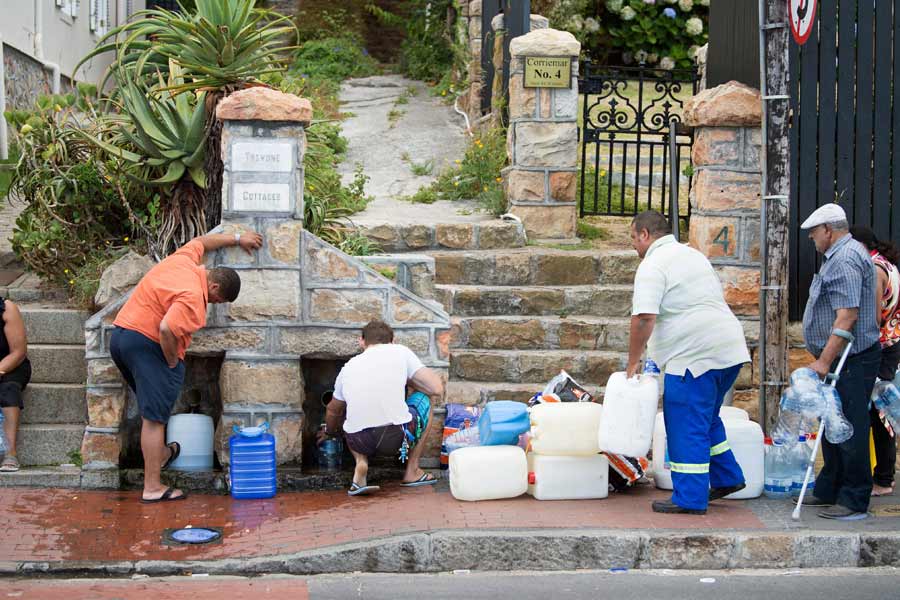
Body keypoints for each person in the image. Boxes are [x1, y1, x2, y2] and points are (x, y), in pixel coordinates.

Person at [111, 231, 262, 503]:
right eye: (218, 300)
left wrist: (238, 238)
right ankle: (152, 488)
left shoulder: (184, 261)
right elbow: (166, 328)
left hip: (121, 337)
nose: (215, 304)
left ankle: (163, 454)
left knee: (152, 408)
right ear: (214, 287)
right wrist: (171, 360)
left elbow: (201, 242)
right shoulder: (194, 297)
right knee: (154, 418)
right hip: (148, 345)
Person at [625, 210, 750, 515]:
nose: (633, 245)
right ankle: (728, 477)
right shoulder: (693, 255)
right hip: (729, 350)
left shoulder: (652, 264)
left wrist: (632, 362)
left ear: (645, 234)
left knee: (685, 424)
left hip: (694, 357)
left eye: (633, 238)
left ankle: (690, 498)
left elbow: (644, 318)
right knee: (706, 419)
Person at [800, 204, 881, 520]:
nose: (811, 238)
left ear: (828, 230)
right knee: (832, 425)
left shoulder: (845, 259)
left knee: (848, 427)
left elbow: (847, 316)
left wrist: (824, 361)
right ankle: (829, 489)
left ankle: (853, 498)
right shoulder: (840, 255)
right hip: (844, 358)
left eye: (813, 233)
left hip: (851, 358)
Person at [319, 319, 444, 496]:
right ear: (393, 341)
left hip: (359, 442)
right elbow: (436, 388)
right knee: (426, 399)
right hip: (397, 438)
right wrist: (407, 379)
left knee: (348, 410)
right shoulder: (400, 352)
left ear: (361, 341)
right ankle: (412, 471)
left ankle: (361, 462)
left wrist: (329, 432)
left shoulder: (348, 367)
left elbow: (333, 410)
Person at [849, 224, 898, 497]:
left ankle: (884, 478)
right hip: (890, 343)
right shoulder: (886, 264)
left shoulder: (876, 270)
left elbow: (873, 315)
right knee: (880, 410)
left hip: (881, 347)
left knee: (879, 413)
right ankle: (883, 475)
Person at [0, 299, 31, 473]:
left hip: (11, 364)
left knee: (8, 389)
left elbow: (18, 352)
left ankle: (10, 453)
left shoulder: (6, 308)